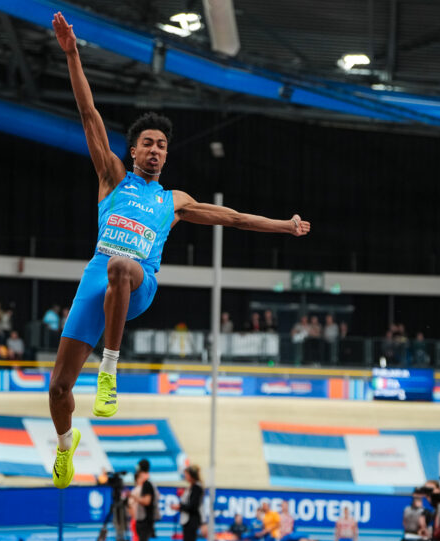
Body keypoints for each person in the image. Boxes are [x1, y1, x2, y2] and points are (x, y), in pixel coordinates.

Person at [47, 12, 311, 489]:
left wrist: (285, 225)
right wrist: (72, 54)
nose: (155, 150)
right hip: (97, 278)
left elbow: (233, 219)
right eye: (147, 143)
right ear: (133, 152)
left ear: (167, 155)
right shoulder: (111, 177)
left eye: (162, 145)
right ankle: (66, 446)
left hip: (138, 280)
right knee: (58, 388)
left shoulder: (175, 201)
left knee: (123, 267)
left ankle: (109, 372)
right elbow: (89, 114)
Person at [171, 465, 204, 541]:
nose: (185, 476)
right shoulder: (191, 488)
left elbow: (193, 506)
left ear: (191, 475)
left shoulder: (197, 488)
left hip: (192, 521)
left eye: (186, 474)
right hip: (187, 521)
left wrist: (180, 506)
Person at [128, 459, 156, 541]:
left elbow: (147, 501)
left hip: (144, 520)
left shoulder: (147, 484)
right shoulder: (148, 484)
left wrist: (134, 497)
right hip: (143, 520)